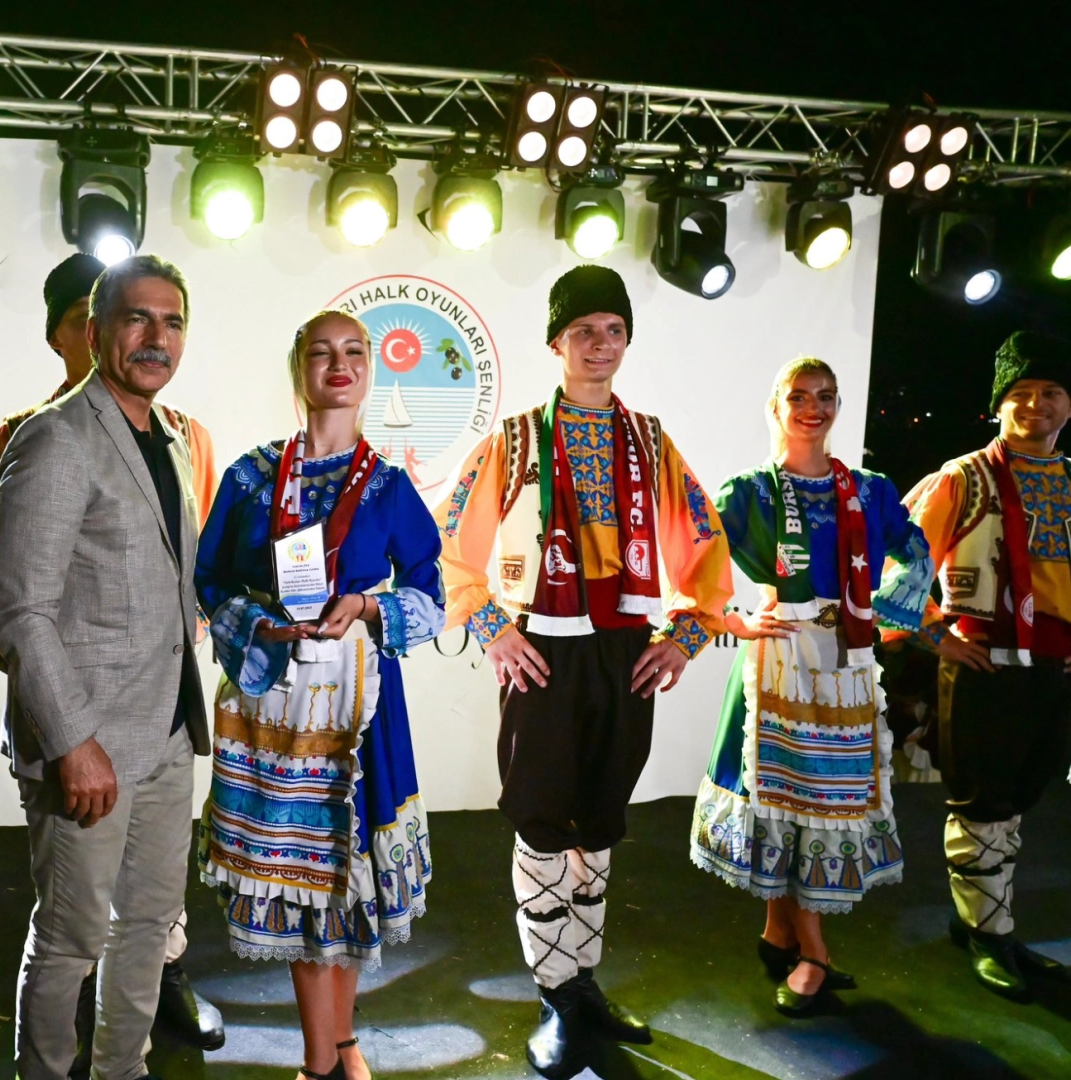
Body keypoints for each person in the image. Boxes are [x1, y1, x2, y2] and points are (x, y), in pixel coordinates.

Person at [434, 265, 733, 1076]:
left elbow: (704, 541)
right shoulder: (517, 439)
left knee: (601, 815)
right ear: (556, 343)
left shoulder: (650, 441)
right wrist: (492, 627)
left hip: (623, 647)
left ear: (627, 340)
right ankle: (554, 993)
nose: (600, 344)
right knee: (541, 816)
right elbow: (447, 540)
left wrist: (686, 634)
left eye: (613, 329)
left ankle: (583, 983)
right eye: (583, 330)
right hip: (544, 645)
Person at [0, 253, 224, 1061]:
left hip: (169, 733)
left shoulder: (174, 440)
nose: (156, 338)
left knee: (149, 926)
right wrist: (73, 742)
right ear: (95, 332)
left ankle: (123, 1071)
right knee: (70, 936)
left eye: (172, 322)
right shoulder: (55, 437)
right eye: (137, 318)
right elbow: (20, 612)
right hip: (85, 744)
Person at [194, 309, 442, 1080]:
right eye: (321, 352)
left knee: (348, 873)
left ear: (370, 370)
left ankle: (340, 1041)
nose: (339, 364)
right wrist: (258, 624)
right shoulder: (250, 476)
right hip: (274, 698)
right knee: (298, 876)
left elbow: (430, 591)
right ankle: (318, 1056)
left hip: (359, 705)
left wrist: (366, 605)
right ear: (298, 368)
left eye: (354, 351)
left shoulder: (388, 486)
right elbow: (208, 580)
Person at [688, 357, 935, 1016]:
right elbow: (695, 555)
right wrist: (733, 619)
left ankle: (781, 934)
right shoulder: (751, 492)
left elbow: (916, 551)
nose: (813, 408)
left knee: (820, 802)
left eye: (826, 396)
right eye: (799, 396)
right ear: (776, 406)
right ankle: (815, 953)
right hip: (779, 659)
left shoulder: (870, 492)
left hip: (845, 662)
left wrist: (879, 614)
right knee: (784, 802)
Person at [894, 331, 1071, 1002]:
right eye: (1020, 393)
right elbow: (900, 563)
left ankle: (985, 921)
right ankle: (989, 933)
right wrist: (936, 634)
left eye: (1050, 392)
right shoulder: (963, 477)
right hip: (985, 659)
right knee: (983, 800)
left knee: (1020, 796)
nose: (1035, 404)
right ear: (998, 405)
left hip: (1054, 666)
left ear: (1068, 405)